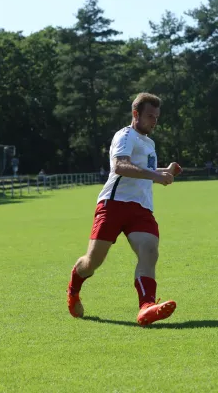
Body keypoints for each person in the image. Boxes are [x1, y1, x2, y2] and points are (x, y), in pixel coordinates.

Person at [66, 92, 183, 326]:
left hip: (141, 208)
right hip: (113, 204)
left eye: (157, 117)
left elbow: (142, 170)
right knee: (92, 262)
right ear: (135, 114)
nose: (154, 121)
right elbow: (120, 166)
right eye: (150, 116)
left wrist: (165, 172)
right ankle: (73, 290)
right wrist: (157, 176)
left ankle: (146, 307)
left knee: (150, 251)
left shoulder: (149, 142)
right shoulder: (126, 135)